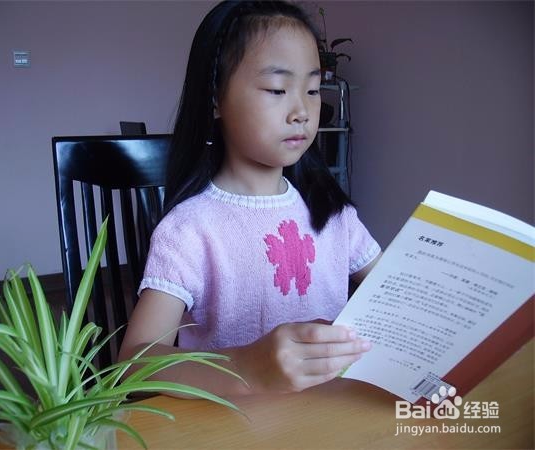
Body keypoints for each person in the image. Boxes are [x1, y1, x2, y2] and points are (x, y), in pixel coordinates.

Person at [118, 0, 382, 396]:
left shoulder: (333, 213)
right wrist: (245, 367)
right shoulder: (190, 229)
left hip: (333, 416)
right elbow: (133, 364)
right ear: (215, 98)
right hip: (234, 423)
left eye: (313, 89)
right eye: (277, 89)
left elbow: (395, 291)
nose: (302, 111)